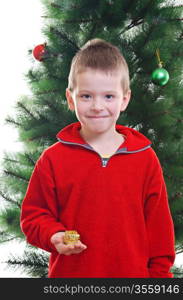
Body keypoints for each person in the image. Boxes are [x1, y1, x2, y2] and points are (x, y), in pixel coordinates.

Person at [20, 38, 175, 278]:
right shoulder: (53, 159)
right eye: (86, 96)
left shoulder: (145, 159)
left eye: (109, 97)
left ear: (124, 99)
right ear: (71, 99)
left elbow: (160, 232)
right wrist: (54, 235)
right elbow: (34, 216)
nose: (97, 106)